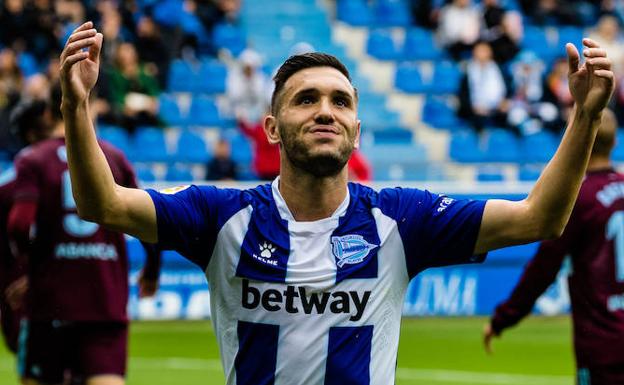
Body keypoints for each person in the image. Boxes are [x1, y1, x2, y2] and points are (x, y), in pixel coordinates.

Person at [59, 21, 614, 385]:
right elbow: (101, 203)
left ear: (356, 127)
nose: (326, 110)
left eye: (340, 101)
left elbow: (540, 217)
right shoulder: (220, 216)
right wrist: (75, 105)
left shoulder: (403, 219)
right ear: (273, 128)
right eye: (307, 100)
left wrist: (585, 117)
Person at [7, 85, 161, 385]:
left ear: (50, 111)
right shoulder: (115, 158)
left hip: (50, 297)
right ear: (93, 107)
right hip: (104, 296)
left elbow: (18, 223)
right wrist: (152, 271)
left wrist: (27, 269)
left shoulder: (33, 159)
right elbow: (147, 220)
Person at [484, 109, 624, 385]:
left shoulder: (577, 200)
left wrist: (503, 319)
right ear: (615, 142)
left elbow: (542, 270)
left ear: (575, 138)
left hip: (604, 345)